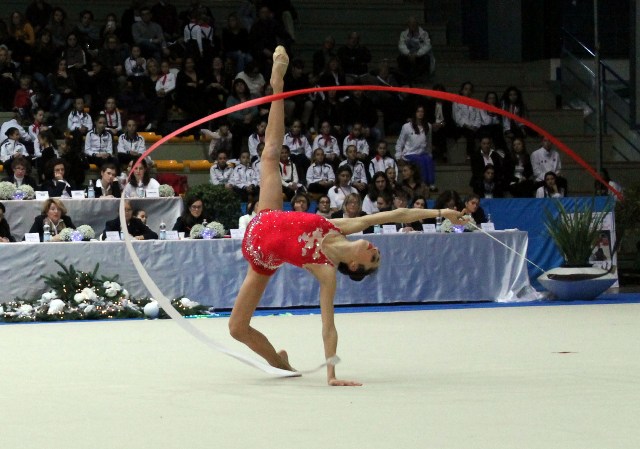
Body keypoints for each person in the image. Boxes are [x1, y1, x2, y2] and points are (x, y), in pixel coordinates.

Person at [229, 47, 467, 386]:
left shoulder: (327, 273)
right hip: (265, 216)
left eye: (373, 256)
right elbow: (398, 213)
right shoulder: (340, 225)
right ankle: (277, 85)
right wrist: (443, 211)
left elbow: (328, 325)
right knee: (269, 155)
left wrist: (331, 374)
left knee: (236, 329)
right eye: (377, 252)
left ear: (355, 265)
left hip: (261, 259)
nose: (374, 248)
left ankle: (278, 362)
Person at [395, 105, 440, 192]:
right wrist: (398, 156)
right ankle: (423, 183)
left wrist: (429, 154)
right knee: (420, 161)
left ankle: (431, 184)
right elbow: (400, 142)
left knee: (428, 159)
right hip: (409, 154)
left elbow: (429, 143)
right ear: (415, 113)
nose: (420, 113)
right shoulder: (407, 127)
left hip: (422, 153)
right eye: (418, 111)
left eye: (422, 111)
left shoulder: (428, 126)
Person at [397, 16, 433, 85]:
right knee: (400, 59)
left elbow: (427, 46)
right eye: (411, 24)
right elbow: (401, 46)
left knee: (426, 59)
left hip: (419, 56)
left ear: (417, 24)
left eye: (414, 24)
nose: (412, 26)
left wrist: (417, 54)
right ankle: (406, 79)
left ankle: (418, 78)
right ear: (408, 25)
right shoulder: (403, 34)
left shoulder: (424, 34)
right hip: (408, 56)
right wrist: (409, 53)